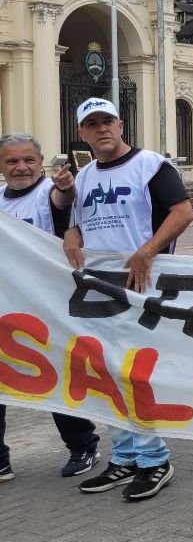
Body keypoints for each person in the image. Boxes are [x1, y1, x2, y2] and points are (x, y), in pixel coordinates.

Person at [64, 98, 193, 501]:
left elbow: (183, 212)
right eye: (92, 124)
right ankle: (123, 458)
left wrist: (147, 251)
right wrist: (71, 239)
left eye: (108, 121)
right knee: (108, 376)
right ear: (82, 133)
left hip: (142, 287)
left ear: (121, 126)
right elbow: (76, 226)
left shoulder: (150, 165)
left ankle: (154, 460)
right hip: (99, 289)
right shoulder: (84, 177)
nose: (101, 129)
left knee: (136, 375)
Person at [0, 133, 101, 482]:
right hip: (6, 306)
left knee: (54, 379)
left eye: (28, 159)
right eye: (12, 161)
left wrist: (66, 187)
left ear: (40, 162)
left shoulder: (47, 193)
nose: (21, 167)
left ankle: (83, 445)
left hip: (46, 306)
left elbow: (62, 201)